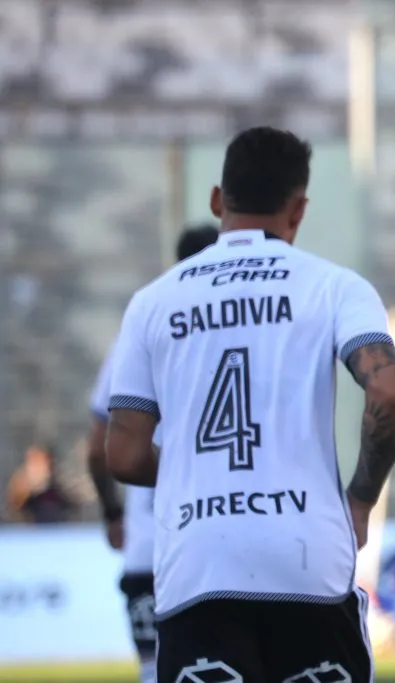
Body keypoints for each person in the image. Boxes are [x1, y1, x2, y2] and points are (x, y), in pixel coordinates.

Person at [104, 126, 395, 683]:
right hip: (307, 558)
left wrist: (192, 472)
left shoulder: (153, 302)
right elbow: (388, 393)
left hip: (198, 563)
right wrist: (362, 498)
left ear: (217, 200)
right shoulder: (335, 287)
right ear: (299, 209)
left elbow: (123, 455)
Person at [86, 223, 219, 683]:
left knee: (154, 670)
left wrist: (112, 514)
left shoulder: (140, 330)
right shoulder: (241, 334)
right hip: (213, 540)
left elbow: (99, 448)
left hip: (147, 545)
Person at [5, 443, 74, 524]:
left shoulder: (61, 485)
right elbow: (13, 512)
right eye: (32, 463)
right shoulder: (20, 486)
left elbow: (72, 507)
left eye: (39, 462)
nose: (36, 468)